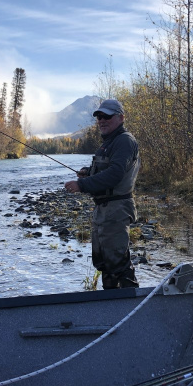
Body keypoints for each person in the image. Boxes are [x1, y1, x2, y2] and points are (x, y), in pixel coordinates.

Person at [64, 99, 140, 289]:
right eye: (99, 117)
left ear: (121, 118)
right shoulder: (109, 143)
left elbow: (115, 174)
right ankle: (110, 306)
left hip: (116, 211)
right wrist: (88, 173)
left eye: (107, 116)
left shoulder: (124, 141)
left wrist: (82, 184)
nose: (101, 120)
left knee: (118, 264)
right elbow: (107, 171)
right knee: (105, 262)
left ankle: (131, 307)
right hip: (104, 211)